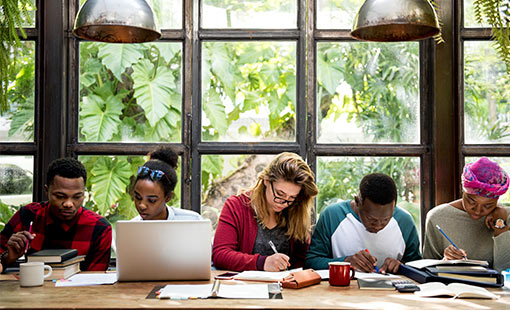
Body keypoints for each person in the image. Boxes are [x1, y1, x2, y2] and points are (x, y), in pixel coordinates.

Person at [0, 158, 112, 271]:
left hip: (79, 288)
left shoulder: (99, 228)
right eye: (60, 196)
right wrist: (8, 258)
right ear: (46, 191)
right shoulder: (28, 215)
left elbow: (97, 279)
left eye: (77, 197)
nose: (68, 204)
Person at [212, 152, 318, 272]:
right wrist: (262, 263)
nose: (283, 202)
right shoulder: (236, 206)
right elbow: (220, 255)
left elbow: (302, 261)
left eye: (291, 198)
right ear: (266, 180)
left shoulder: (296, 209)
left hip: (288, 287)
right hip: (243, 287)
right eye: (279, 194)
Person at [305, 173, 421, 274]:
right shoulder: (333, 216)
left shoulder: (404, 221)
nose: (378, 226)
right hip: (341, 292)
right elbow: (311, 262)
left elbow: (418, 266)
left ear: (394, 206)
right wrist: (346, 262)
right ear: (357, 202)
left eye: (386, 219)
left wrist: (401, 266)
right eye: (371, 219)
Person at [423, 157, 510, 271]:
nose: (478, 211)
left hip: (496, 289)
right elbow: (426, 269)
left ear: (497, 200)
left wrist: (501, 227)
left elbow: (505, 270)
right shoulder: (437, 217)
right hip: (452, 287)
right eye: (471, 201)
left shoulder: (506, 217)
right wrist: (446, 261)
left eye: (488, 206)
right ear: (463, 190)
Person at [131, 147, 202, 221]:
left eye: (152, 200)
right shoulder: (130, 227)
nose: (142, 206)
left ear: (168, 197)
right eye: (138, 197)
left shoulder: (192, 221)